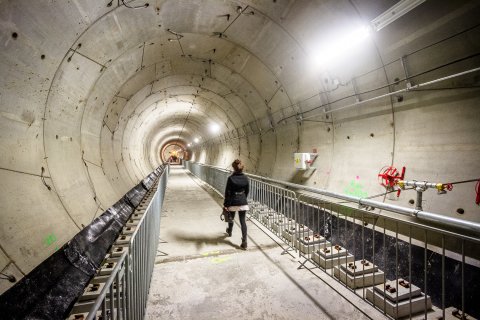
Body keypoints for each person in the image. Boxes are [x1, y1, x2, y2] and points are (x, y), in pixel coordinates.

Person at [224, 159, 249, 250]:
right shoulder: (246, 178)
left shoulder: (230, 178)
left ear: (233, 168)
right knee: (243, 222)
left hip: (232, 201)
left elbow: (227, 193)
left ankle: (229, 231)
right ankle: (244, 242)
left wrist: (225, 205)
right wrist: (242, 198)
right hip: (242, 201)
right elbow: (247, 191)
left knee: (231, 218)